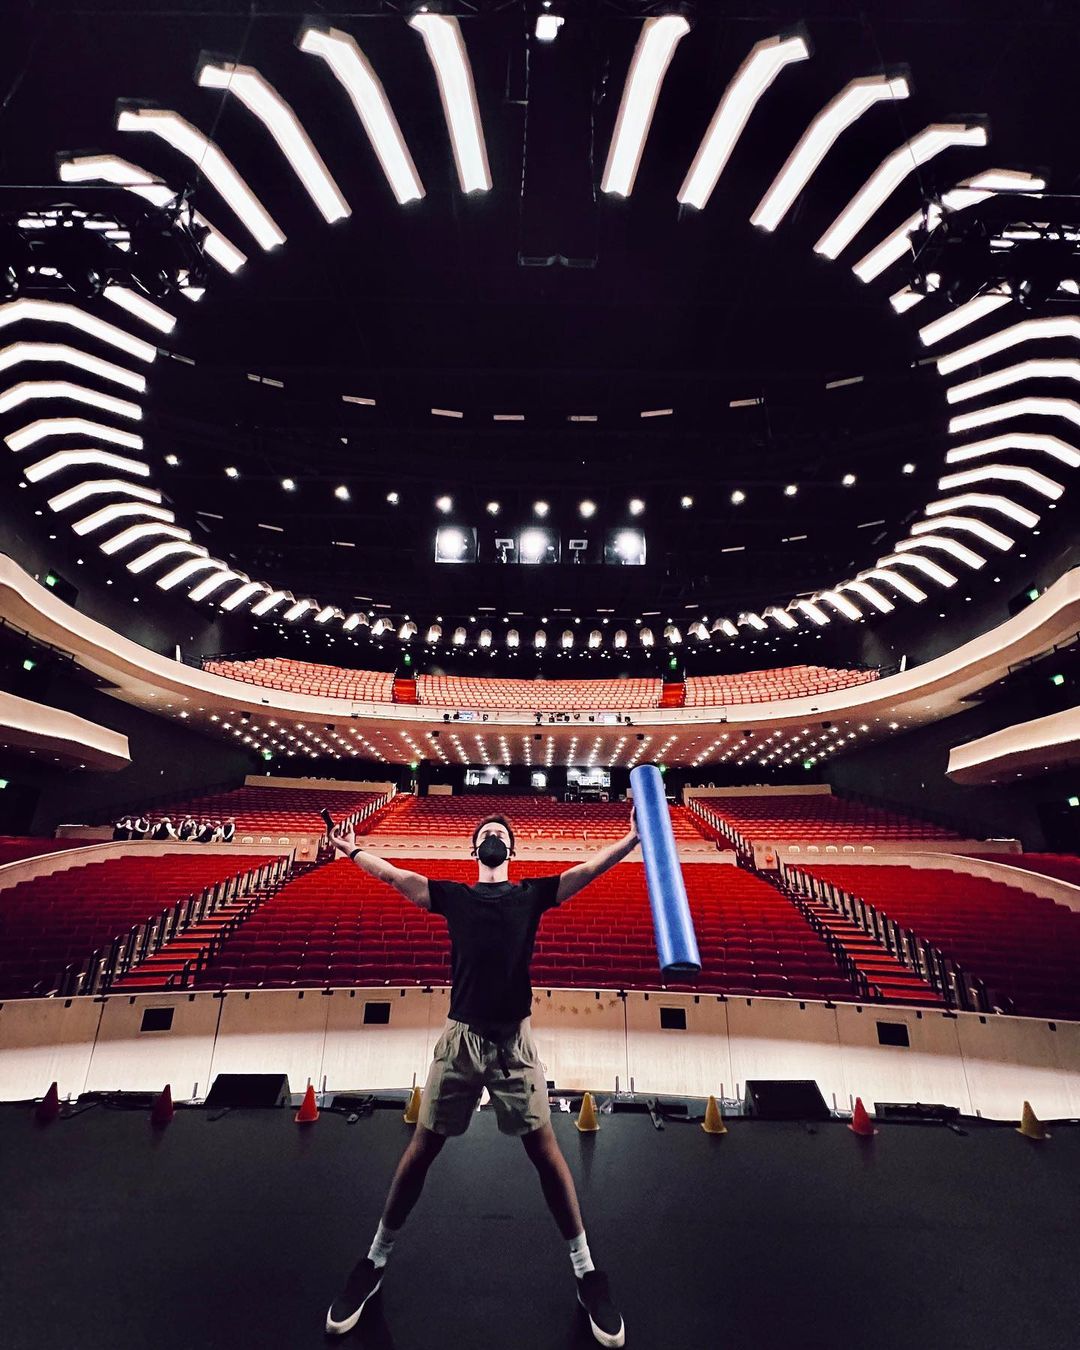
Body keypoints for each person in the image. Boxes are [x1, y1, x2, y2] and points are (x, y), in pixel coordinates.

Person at [323, 809, 639, 1346]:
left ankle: (587, 1273)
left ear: (511, 850)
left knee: (546, 1154)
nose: (493, 836)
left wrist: (631, 839)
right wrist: (351, 849)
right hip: (461, 1041)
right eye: (486, 834)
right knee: (422, 1149)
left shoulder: (531, 895)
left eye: (501, 834)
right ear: (475, 850)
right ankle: (373, 1262)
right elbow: (396, 877)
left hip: (515, 1044)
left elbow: (586, 871)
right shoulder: (455, 897)